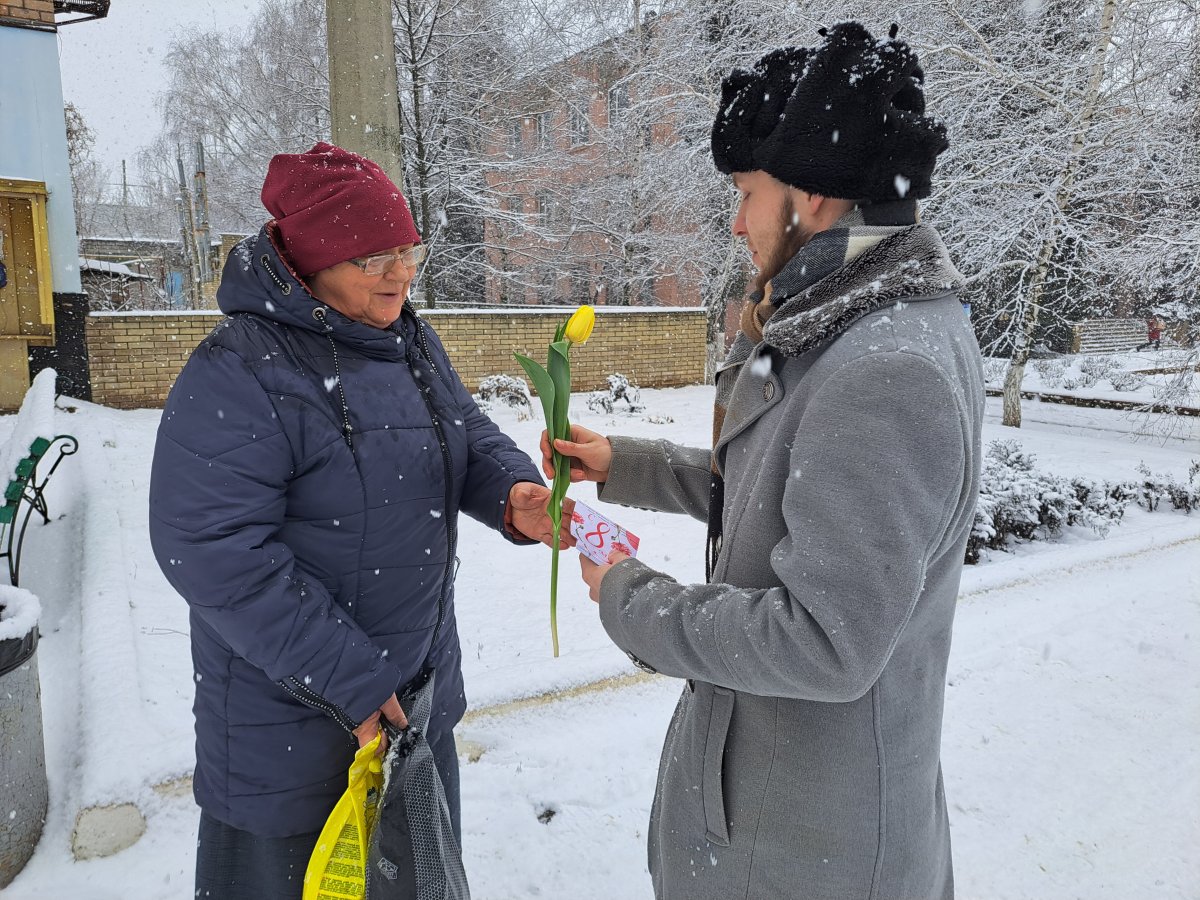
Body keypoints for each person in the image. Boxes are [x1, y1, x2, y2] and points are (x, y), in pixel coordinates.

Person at [544, 23, 984, 900]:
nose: (738, 222)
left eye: (747, 192)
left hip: (808, 844)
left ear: (814, 196)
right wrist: (620, 463)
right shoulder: (841, 321)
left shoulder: (884, 366)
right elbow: (773, 484)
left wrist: (630, 592)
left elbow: (824, 642)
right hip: (772, 812)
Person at [149, 142, 561, 899]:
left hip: (412, 709)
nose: (401, 274)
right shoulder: (241, 368)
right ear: (312, 264)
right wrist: (351, 680)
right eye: (375, 259)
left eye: (408, 250)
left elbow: (465, 433)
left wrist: (512, 494)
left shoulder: (408, 341)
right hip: (293, 730)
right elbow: (208, 546)